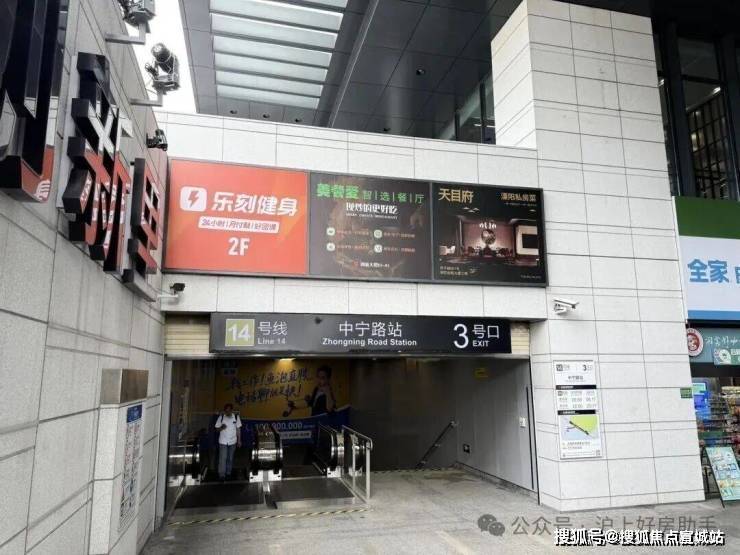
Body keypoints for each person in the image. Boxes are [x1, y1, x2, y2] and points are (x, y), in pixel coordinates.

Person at [215, 403, 242, 481]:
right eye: (226, 411)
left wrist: (239, 441)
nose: (227, 412)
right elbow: (217, 429)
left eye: (229, 410)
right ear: (224, 411)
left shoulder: (236, 417)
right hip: (223, 441)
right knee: (223, 458)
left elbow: (238, 430)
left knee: (230, 458)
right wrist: (221, 427)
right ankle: (221, 474)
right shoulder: (221, 417)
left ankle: (228, 472)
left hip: (233, 442)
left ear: (232, 410)